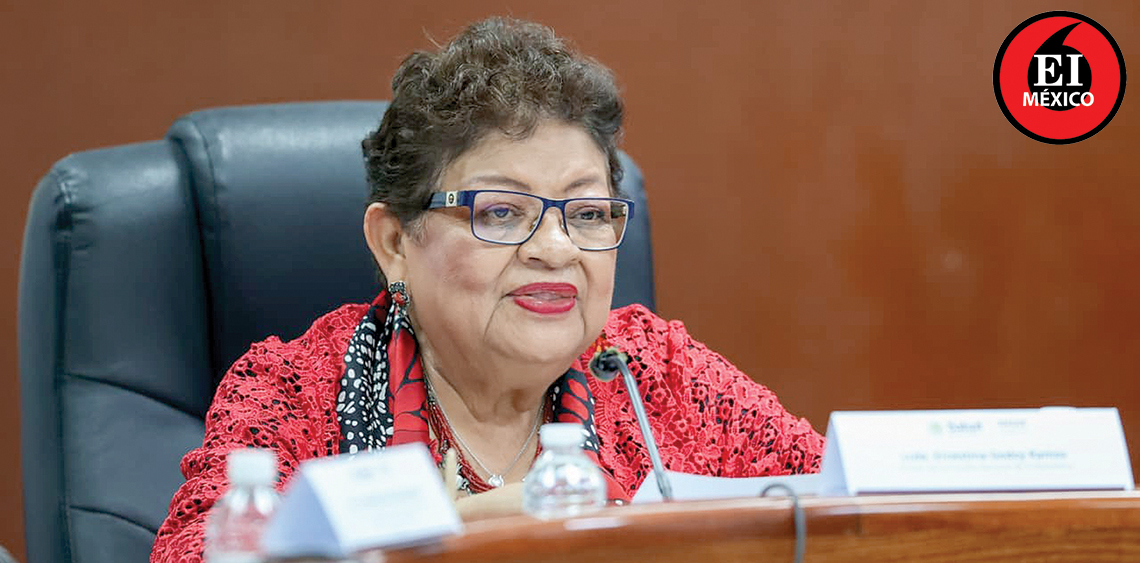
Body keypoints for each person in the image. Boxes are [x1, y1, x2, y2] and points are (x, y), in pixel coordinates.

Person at [151, 16, 823, 562]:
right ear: (395, 242)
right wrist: (451, 535)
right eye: (501, 212)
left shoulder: (657, 373)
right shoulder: (294, 390)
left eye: (588, 214)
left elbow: (848, 515)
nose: (556, 249)